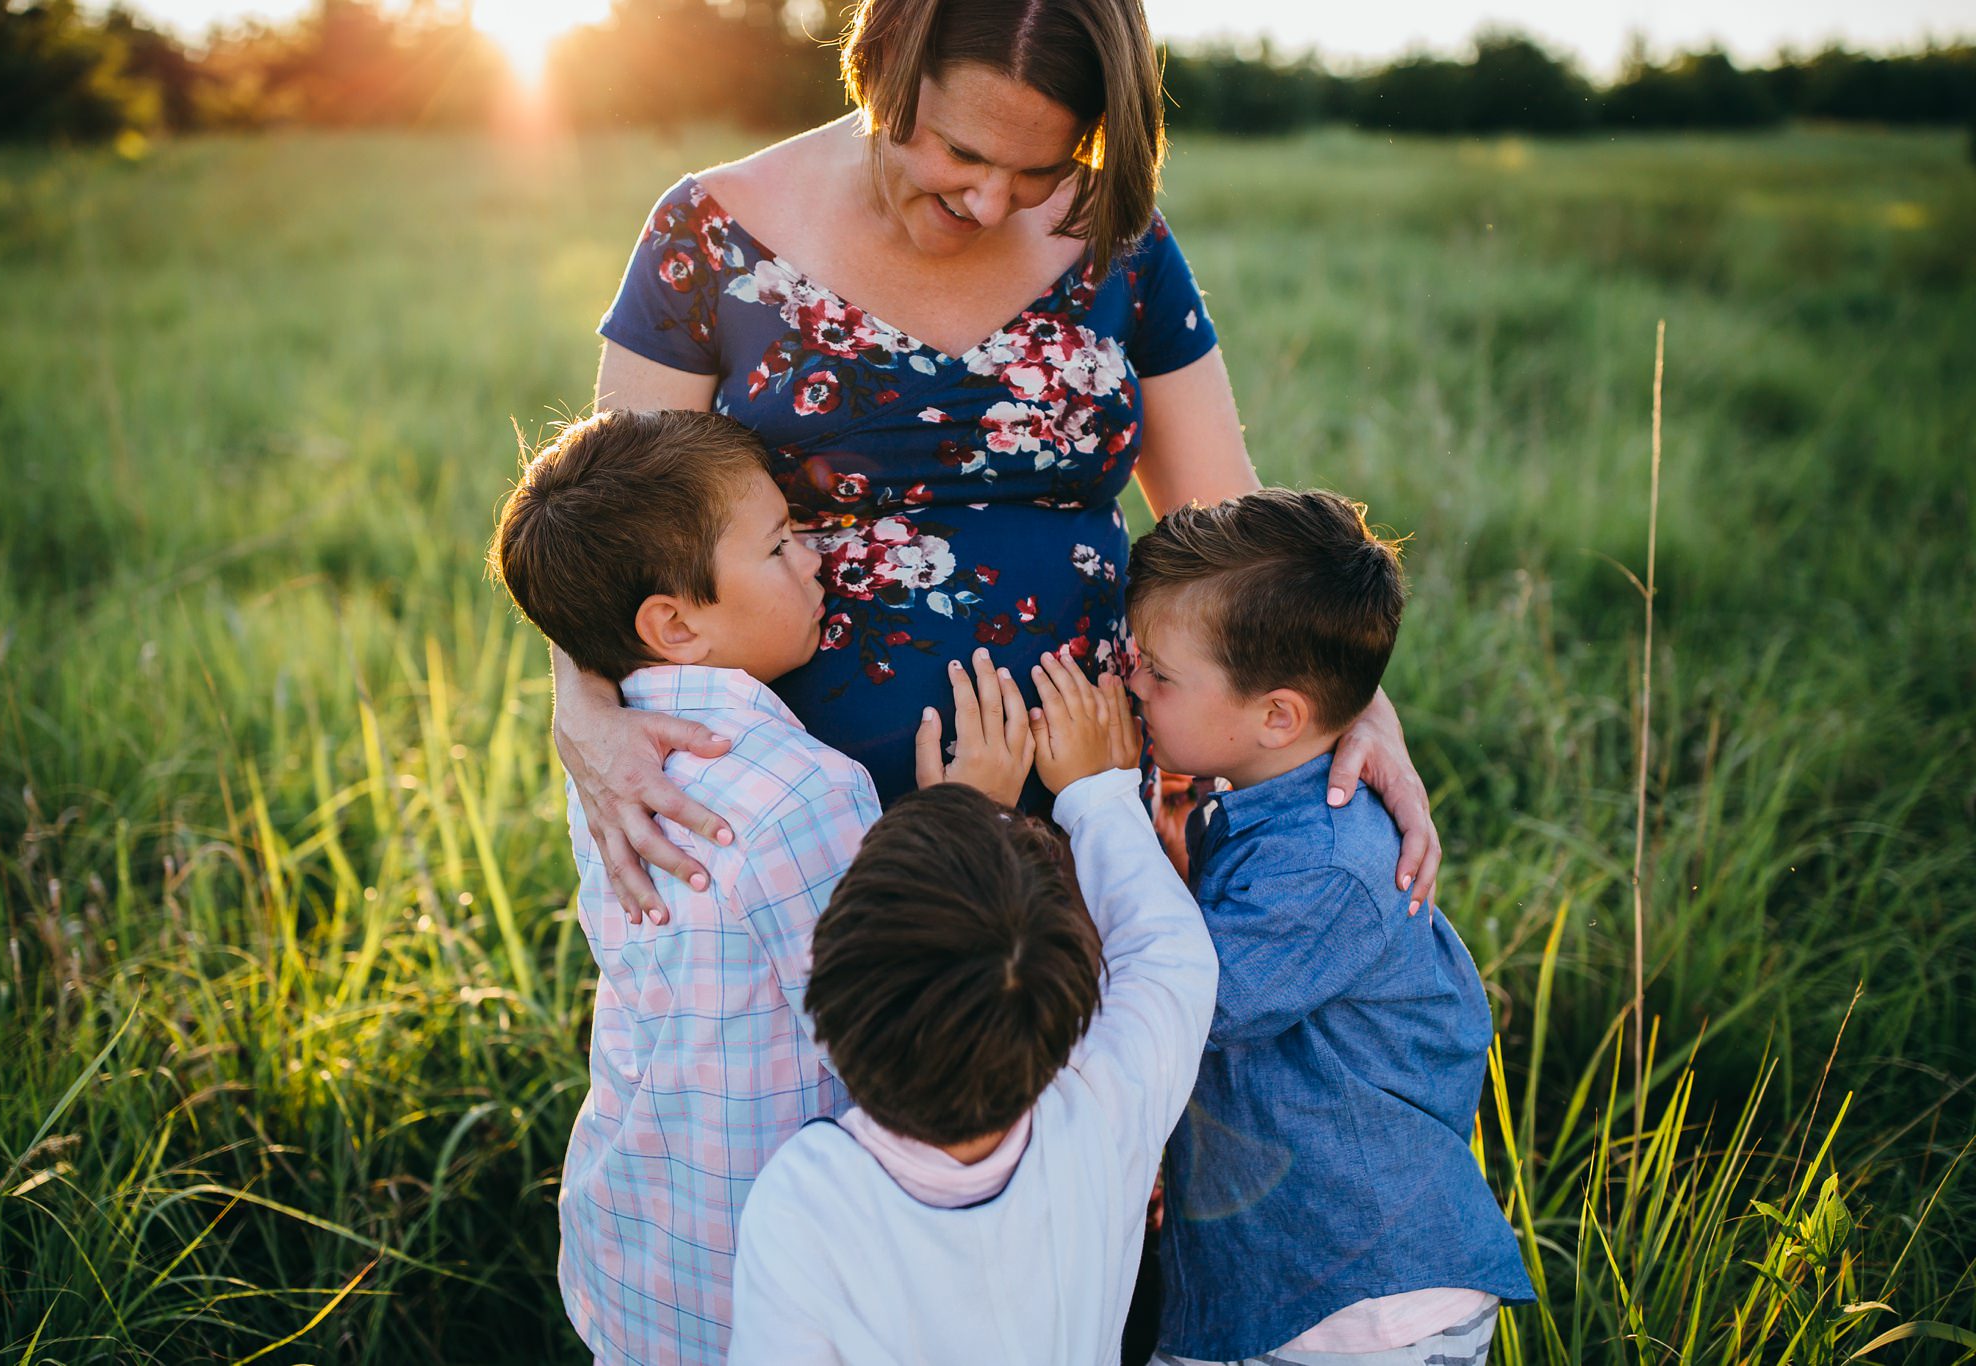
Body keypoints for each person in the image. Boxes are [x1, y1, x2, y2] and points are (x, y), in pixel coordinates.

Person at [551, 0, 1442, 934]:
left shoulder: (1119, 237)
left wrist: (1354, 703)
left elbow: (1231, 526)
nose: (988, 204)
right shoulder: (708, 234)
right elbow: (614, 539)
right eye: (960, 153)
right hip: (788, 825)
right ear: (887, 61)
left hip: (1083, 804)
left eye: (1040, 168)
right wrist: (584, 712)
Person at [489, 407, 1033, 1366]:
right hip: (778, 1278)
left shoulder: (614, 771)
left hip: (647, 1241)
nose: (819, 557)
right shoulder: (803, 792)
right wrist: (969, 818)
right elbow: (887, 1020)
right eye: (781, 544)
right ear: (676, 624)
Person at [1120, 489, 1536, 1366]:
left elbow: (1190, 1005)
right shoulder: (1265, 802)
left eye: (1159, 673)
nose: (1133, 682)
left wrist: (1097, 804)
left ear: (1277, 715)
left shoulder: (1326, 863)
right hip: (1281, 1277)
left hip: (1356, 1301)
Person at [727, 652, 1219, 1364]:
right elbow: (1172, 957)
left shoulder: (806, 1201)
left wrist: (967, 816)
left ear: (825, 1000)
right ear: (1076, 994)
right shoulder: (1102, 1113)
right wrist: (1095, 796)